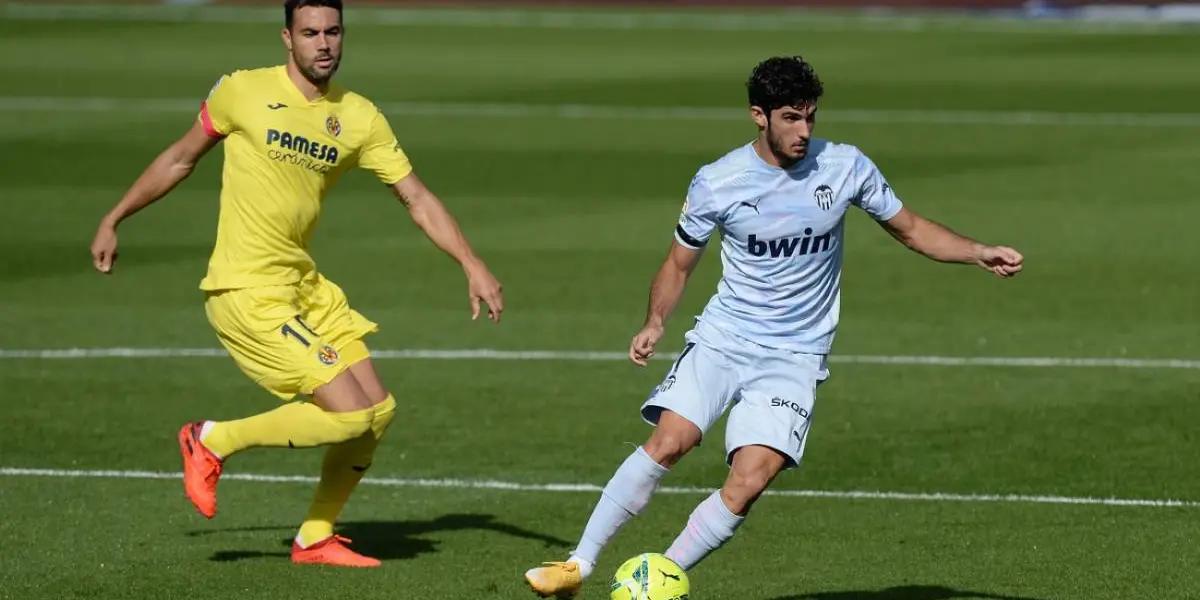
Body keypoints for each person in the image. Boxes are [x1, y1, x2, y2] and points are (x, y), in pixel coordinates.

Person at [524, 55, 1022, 597]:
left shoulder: (845, 166)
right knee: (670, 441)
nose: (804, 130)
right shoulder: (719, 181)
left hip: (795, 355)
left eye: (810, 116)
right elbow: (678, 264)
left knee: (750, 479)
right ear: (758, 116)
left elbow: (912, 229)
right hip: (725, 338)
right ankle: (578, 565)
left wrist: (978, 252)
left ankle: (657, 577)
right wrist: (655, 321)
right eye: (790, 117)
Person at [88, 0, 503, 568]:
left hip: (303, 286)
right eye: (310, 33)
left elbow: (417, 197)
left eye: (333, 31)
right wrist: (115, 217)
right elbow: (181, 159)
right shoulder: (241, 91)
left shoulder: (359, 116)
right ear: (287, 37)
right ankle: (210, 440)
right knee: (349, 415)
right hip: (246, 289)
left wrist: (471, 262)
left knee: (377, 413)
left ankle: (314, 537)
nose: (323, 43)